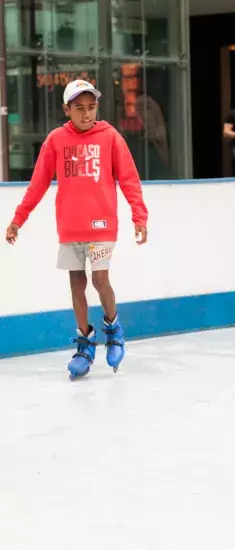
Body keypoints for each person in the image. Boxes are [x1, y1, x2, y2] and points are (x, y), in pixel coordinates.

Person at [5, 79, 149, 380]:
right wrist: (19, 218)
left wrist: (139, 216)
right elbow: (39, 183)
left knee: (99, 278)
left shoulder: (110, 137)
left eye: (91, 108)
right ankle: (85, 344)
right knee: (76, 284)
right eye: (79, 108)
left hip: (102, 224)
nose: (86, 114)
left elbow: (130, 179)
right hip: (70, 226)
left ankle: (113, 329)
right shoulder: (56, 140)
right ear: (66, 109)